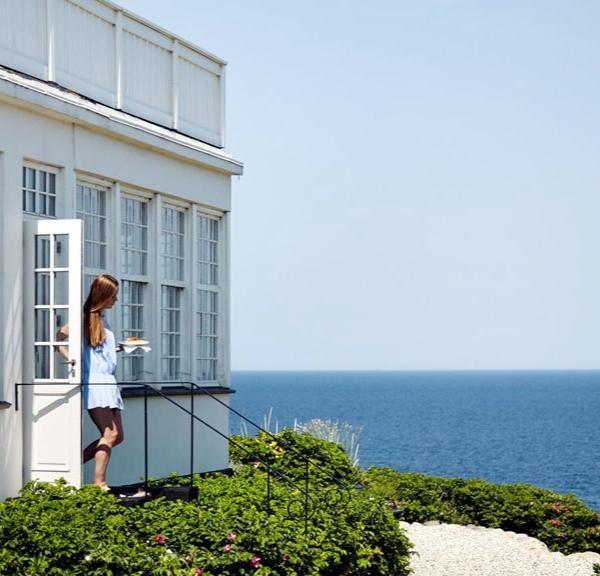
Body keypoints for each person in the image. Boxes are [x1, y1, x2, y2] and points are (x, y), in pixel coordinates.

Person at [58, 273, 124, 490]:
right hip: (96, 382)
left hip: (108, 381)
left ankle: (73, 462)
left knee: (117, 436)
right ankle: (99, 483)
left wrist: (118, 349)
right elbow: (58, 337)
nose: (115, 300)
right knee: (109, 434)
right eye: (113, 296)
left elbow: (99, 350)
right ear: (103, 295)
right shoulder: (83, 317)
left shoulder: (103, 318)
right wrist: (72, 360)